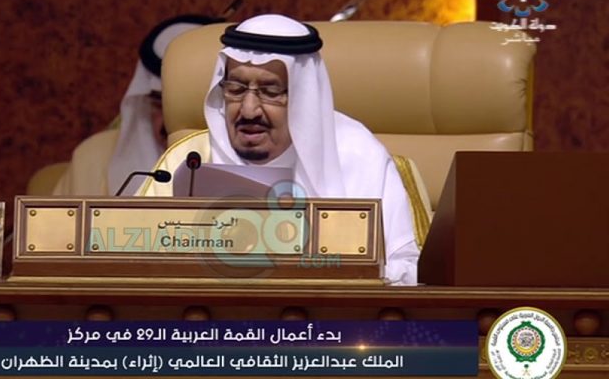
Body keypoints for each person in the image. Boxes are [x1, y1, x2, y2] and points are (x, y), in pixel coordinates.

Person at [137, 14, 419, 285]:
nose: (249, 110)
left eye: (271, 92)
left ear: (304, 96)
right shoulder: (189, 160)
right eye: (236, 89)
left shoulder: (359, 156)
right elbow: (133, 257)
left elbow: (407, 271)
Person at [53, 15, 219, 196]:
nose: (168, 122)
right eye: (158, 103)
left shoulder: (242, 161)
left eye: (184, 107)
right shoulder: (93, 156)